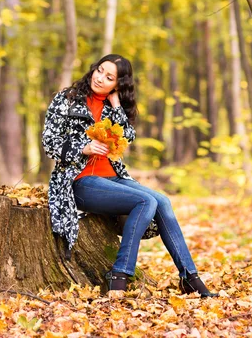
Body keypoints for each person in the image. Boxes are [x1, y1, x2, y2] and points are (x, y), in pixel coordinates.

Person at [42, 54, 217, 297]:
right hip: (79, 180)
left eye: (109, 77)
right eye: (100, 71)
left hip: (112, 177)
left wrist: (115, 107)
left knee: (163, 202)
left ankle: (190, 277)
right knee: (146, 201)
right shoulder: (67, 99)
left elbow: (127, 137)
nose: (100, 78)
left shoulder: (112, 107)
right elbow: (49, 142)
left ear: (118, 84)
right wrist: (84, 147)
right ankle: (120, 274)